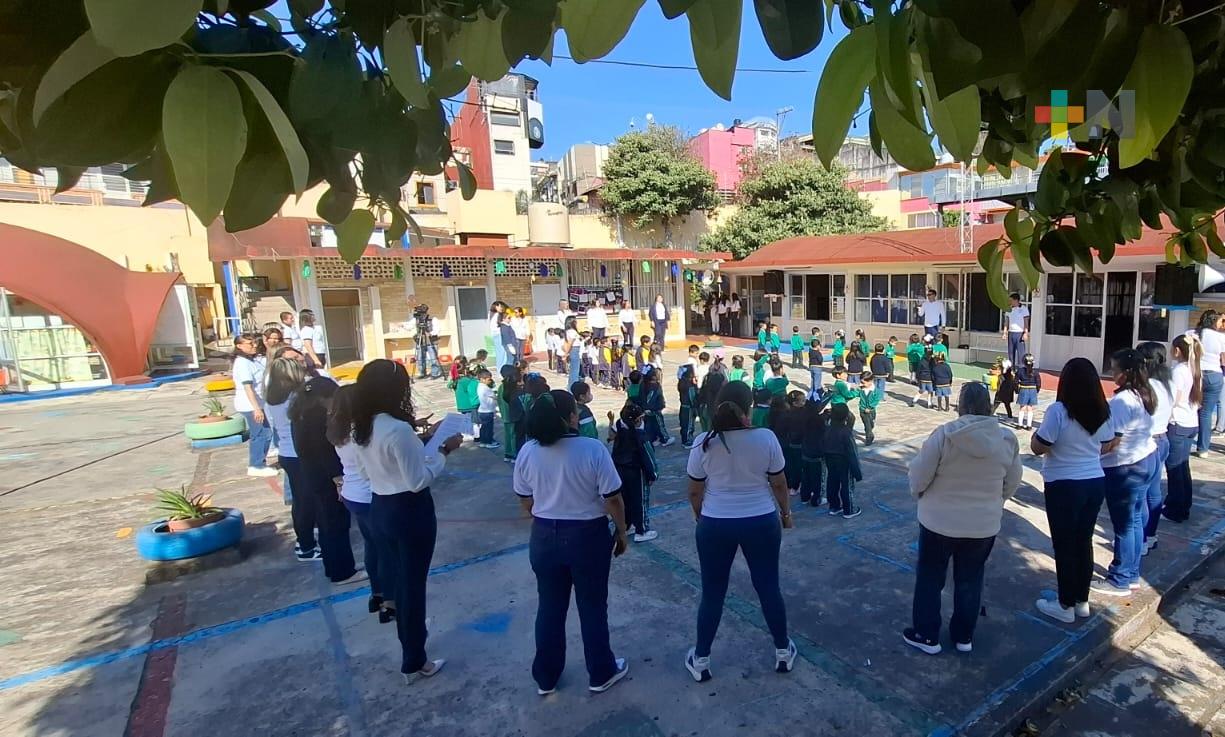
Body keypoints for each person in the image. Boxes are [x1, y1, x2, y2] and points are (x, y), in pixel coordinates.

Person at [351, 359, 462, 683]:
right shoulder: (397, 430)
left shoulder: (364, 426)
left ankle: (409, 638)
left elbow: (364, 472)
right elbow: (417, 480)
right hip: (410, 511)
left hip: (381, 506)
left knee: (400, 582)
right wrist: (443, 450)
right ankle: (414, 658)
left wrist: (420, 443)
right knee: (414, 586)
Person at [514, 389, 631, 695]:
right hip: (587, 536)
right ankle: (601, 671)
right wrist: (620, 531)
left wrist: (542, 514)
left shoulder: (528, 450)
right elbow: (613, 498)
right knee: (592, 606)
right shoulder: (592, 449)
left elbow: (524, 497)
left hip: (543, 536)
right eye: (575, 412)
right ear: (569, 418)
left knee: (550, 606)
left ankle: (546, 677)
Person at [684, 381, 796, 682]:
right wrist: (786, 514)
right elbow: (779, 483)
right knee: (768, 586)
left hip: (715, 523)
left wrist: (702, 519)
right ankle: (783, 651)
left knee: (713, 593)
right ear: (748, 407)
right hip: (760, 520)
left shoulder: (703, 442)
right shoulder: (765, 438)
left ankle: (702, 658)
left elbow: (694, 491)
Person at [903, 382, 1022, 655]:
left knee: (930, 578)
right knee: (970, 579)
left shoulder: (944, 436)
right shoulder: (1006, 439)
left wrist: (920, 496)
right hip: (983, 526)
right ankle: (964, 636)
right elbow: (1013, 480)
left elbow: (919, 476)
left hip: (938, 522)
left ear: (962, 405)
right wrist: (995, 503)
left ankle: (927, 634)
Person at [1031, 358, 1118, 623]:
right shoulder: (1103, 410)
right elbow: (1108, 443)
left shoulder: (1059, 411)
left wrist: (1037, 439)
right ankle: (1082, 601)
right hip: (1094, 481)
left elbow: (1040, 446)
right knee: (1083, 542)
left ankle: (1065, 605)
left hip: (1063, 484)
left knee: (1065, 545)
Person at [1094, 349, 1158, 597]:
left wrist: (1088, 453)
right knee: (1135, 520)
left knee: (1124, 525)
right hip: (1144, 459)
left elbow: (1113, 442)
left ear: (1126, 373)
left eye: (1115, 369)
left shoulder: (1122, 402)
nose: (1112, 373)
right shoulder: (1142, 393)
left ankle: (1120, 577)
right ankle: (1131, 573)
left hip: (1126, 467)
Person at [327, 385, 394, 622]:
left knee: (372, 547)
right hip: (370, 496)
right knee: (386, 551)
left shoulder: (340, 432)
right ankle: (390, 602)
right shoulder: (363, 433)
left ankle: (376, 594)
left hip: (352, 495)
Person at [289, 377, 360, 584]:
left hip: (312, 475)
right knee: (336, 524)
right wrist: (338, 480)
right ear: (322, 398)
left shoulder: (299, 413)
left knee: (327, 523)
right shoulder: (317, 417)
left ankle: (335, 567)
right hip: (327, 477)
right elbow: (324, 452)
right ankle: (343, 571)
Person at [265, 357, 320, 562]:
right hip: (300, 454)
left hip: (287, 453)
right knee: (306, 501)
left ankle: (305, 540)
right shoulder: (295, 398)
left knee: (301, 500)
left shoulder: (273, 397)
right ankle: (305, 546)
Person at [1137, 342, 1172, 554]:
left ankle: (1140, 540)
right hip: (1163, 438)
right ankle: (1150, 535)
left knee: (1140, 495)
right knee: (1153, 491)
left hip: (1147, 442)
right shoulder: (1167, 383)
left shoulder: (1146, 387)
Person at [1165, 333, 1203, 523]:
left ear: (1178, 350)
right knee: (1183, 466)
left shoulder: (1179, 370)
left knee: (1174, 468)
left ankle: (1175, 508)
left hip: (1178, 423)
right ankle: (1184, 504)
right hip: (1191, 423)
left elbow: (1175, 399)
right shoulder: (1195, 368)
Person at [609, 401, 659, 542]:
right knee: (640, 501)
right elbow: (648, 457)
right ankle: (641, 530)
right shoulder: (641, 436)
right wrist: (653, 475)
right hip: (637, 473)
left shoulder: (619, 425)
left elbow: (610, 437)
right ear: (638, 420)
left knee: (625, 499)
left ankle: (626, 525)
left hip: (620, 470)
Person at [232, 332, 276, 477]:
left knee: (264, 433)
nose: (254, 346)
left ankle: (259, 462)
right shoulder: (242, 363)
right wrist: (256, 408)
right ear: (239, 346)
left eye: (254, 343)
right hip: (250, 405)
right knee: (261, 434)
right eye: (250, 344)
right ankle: (256, 465)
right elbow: (247, 387)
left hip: (258, 403)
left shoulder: (252, 360)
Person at [823, 403, 863, 518]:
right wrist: (857, 472)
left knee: (832, 482)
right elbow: (852, 453)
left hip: (830, 459)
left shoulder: (827, 428)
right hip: (843, 461)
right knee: (846, 485)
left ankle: (834, 506)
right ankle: (849, 510)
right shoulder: (846, 432)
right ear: (846, 416)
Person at [1195, 310, 1225, 454]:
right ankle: (1203, 448)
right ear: (1213, 322)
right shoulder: (1220, 337)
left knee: (1192, 408)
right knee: (1206, 413)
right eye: (1220, 321)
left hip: (1196, 374)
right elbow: (1224, 359)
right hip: (1214, 375)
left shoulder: (1192, 334)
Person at [641, 368, 674, 447]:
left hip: (647, 409)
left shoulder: (643, 384)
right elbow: (651, 398)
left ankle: (652, 439)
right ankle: (665, 439)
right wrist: (651, 407)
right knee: (660, 424)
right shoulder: (655, 386)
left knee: (650, 425)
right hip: (654, 409)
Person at [498, 366, 525, 462]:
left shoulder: (501, 387)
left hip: (506, 416)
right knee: (514, 436)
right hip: (513, 416)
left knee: (508, 435)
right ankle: (514, 454)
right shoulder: (511, 388)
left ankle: (508, 454)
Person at [1003, 293, 1030, 367]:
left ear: (1016, 300)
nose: (1010, 302)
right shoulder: (1009, 309)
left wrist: (1026, 333)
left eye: (1011, 300)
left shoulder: (1024, 309)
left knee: (1021, 353)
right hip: (1011, 333)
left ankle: (1021, 370)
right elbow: (1006, 322)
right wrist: (1005, 332)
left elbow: (1026, 322)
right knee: (1011, 353)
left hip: (1020, 333)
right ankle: (1011, 370)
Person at [476, 368, 500, 450]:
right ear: (482, 379)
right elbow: (495, 396)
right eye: (488, 379)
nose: (489, 381)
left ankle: (483, 441)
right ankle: (488, 442)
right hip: (487, 411)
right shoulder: (485, 388)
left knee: (484, 428)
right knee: (488, 428)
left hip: (482, 410)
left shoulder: (479, 386)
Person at [1015, 354, 1041, 429]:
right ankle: (1029, 425)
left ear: (1024, 362)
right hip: (1033, 390)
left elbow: (1015, 381)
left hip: (1023, 389)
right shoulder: (1035, 372)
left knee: (1022, 407)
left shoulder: (1020, 371)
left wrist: (1017, 390)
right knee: (1030, 408)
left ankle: (1020, 424)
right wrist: (1037, 390)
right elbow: (1038, 383)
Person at [857, 371, 881, 445]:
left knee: (870, 424)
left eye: (864, 383)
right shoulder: (861, 389)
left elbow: (876, 400)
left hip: (871, 411)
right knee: (866, 424)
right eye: (861, 382)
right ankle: (869, 438)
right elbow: (855, 393)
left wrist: (870, 407)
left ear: (870, 381)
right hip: (862, 409)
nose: (862, 384)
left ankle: (869, 430)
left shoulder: (875, 391)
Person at [678, 365, 699, 447]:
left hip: (683, 406)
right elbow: (692, 397)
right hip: (689, 408)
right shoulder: (689, 385)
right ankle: (687, 441)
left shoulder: (681, 383)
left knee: (684, 424)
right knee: (689, 425)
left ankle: (684, 439)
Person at [563, 316, 582, 390]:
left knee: (573, 370)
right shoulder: (572, 332)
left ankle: (571, 386)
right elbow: (570, 343)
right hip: (574, 350)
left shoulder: (568, 331)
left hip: (574, 350)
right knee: (575, 371)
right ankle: (572, 388)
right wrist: (566, 354)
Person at [490, 302, 507, 370]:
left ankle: (500, 369)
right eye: (500, 306)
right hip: (498, 335)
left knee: (500, 353)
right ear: (496, 307)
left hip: (495, 335)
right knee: (502, 353)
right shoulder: (497, 315)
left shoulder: (492, 314)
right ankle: (501, 370)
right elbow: (498, 325)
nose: (501, 308)